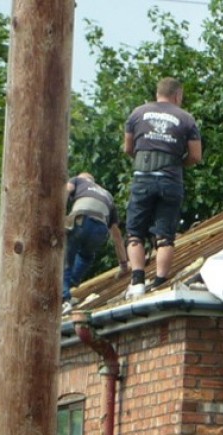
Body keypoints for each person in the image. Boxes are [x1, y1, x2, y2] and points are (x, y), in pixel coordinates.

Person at [123, 77, 202, 298]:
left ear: (158, 93)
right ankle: (159, 280)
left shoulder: (137, 114)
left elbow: (128, 148)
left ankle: (137, 280)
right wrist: (176, 163)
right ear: (177, 95)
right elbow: (196, 155)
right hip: (170, 181)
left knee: (135, 233)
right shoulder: (186, 118)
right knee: (165, 235)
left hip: (143, 178)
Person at [63, 172, 128, 313]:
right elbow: (116, 235)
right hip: (100, 230)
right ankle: (68, 285)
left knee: (65, 256)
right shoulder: (108, 196)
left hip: (81, 220)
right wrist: (124, 265)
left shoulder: (77, 181)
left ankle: (63, 298)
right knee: (87, 256)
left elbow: (65, 192)